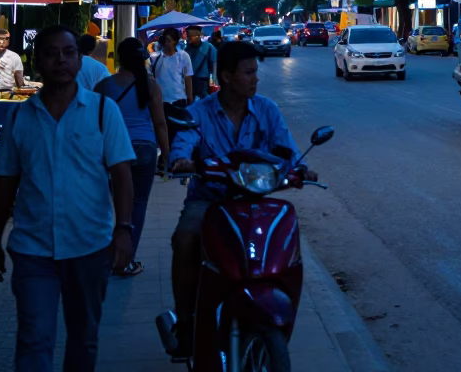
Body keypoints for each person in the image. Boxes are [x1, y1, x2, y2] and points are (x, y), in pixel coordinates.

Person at [0, 24, 135, 372]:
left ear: (80, 60)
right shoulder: (19, 116)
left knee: (83, 339)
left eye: (69, 53)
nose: (61, 60)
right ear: (37, 62)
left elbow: (122, 175)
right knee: (34, 339)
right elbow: (4, 182)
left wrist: (123, 229)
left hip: (90, 248)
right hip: (33, 251)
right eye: (51, 53)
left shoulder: (102, 111)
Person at [167, 41, 315, 360]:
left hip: (256, 201)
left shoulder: (266, 109)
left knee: (284, 234)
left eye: (255, 72)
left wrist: (301, 168)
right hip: (210, 201)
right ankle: (186, 321)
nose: (255, 79)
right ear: (227, 76)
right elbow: (184, 141)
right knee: (185, 238)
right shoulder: (199, 112)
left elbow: (286, 147)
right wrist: (181, 161)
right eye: (248, 73)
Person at [95, 38, 169, 276]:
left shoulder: (105, 85)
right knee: (137, 204)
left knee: (110, 203)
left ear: (118, 58)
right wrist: (167, 155)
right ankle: (127, 260)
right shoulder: (150, 85)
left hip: (113, 149)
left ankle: (106, 256)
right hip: (144, 148)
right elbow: (159, 122)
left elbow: (94, 122)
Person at [150, 28, 194, 104]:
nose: (166, 43)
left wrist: (190, 97)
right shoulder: (155, 57)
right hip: (161, 100)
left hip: (179, 100)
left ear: (175, 42)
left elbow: (188, 78)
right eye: (165, 40)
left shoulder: (183, 56)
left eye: (169, 40)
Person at [183, 26, 217, 99]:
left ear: (198, 36)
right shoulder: (187, 49)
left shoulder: (208, 47)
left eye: (190, 36)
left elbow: (214, 65)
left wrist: (213, 82)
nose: (188, 38)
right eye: (188, 36)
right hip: (190, 80)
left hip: (203, 81)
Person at [0, 29, 26, 95]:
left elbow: (19, 80)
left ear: (8, 41)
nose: (1, 42)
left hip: (8, 94)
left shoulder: (14, 56)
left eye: (5, 39)